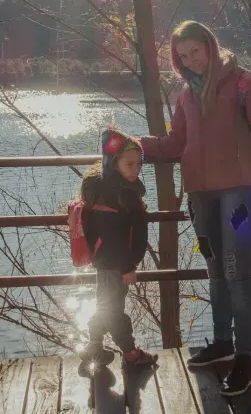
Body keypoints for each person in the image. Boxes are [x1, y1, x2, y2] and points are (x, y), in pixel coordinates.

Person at [140, 20, 251, 396]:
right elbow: (176, 142)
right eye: (183, 56)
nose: (191, 61)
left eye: (196, 51)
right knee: (215, 271)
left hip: (240, 195)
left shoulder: (243, 82)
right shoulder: (186, 95)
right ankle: (221, 344)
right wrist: (138, 145)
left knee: (238, 274)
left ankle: (244, 359)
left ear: (210, 45)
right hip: (201, 195)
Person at [78, 127, 157, 369]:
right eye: (129, 164)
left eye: (139, 164)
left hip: (105, 261)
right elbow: (116, 236)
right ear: (114, 163)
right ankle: (130, 353)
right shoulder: (121, 195)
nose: (135, 170)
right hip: (116, 264)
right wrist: (128, 266)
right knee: (114, 309)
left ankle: (93, 345)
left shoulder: (107, 190)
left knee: (105, 303)